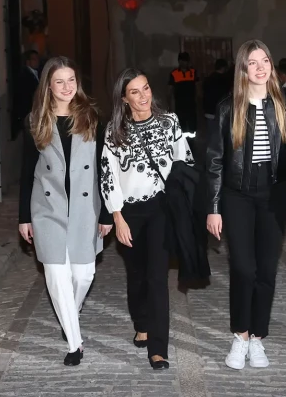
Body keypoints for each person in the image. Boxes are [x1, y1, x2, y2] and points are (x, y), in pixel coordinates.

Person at [18, 56, 112, 366]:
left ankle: (71, 310)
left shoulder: (92, 117)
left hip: (86, 208)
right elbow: (26, 171)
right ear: (48, 85)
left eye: (71, 80)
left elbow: (103, 168)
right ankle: (75, 343)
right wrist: (24, 217)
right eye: (59, 81)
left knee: (84, 274)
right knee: (57, 276)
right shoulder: (36, 121)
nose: (66, 87)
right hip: (48, 208)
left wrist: (108, 213)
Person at [205, 40, 286, 370]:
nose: (260, 67)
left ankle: (258, 339)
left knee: (266, 271)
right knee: (243, 269)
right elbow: (214, 160)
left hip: (273, 196)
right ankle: (240, 336)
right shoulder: (228, 108)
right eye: (252, 62)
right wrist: (213, 207)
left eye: (265, 60)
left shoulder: (284, 105)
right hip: (236, 196)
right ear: (243, 69)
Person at [100, 68, 194, 370]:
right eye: (135, 92)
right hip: (129, 212)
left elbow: (185, 161)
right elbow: (108, 175)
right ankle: (141, 322)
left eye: (146, 88)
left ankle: (158, 348)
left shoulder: (170, 122)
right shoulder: (115, 131)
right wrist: (117, 216)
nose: (143, 96)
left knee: (157, 277)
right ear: (125, 99)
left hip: (160, 210)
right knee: (137, 275)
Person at [13, 50, 41, 139]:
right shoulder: (25, 75)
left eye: (37, 59)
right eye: (34, 59)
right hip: (29, 112)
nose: (37, 61)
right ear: (28, 61)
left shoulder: (36, 73)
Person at [168, 52, 198, 133]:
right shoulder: (174, 74)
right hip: (180, 105)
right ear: (179, 61)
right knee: (182, 127)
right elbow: (170, 90)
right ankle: (183, 144)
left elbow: (198, 87)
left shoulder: (193, 72)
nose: (185, 63)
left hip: (191, 105)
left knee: (192, 128)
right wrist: (170, 106)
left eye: (186, 61)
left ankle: (192, 144)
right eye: (183, 60)